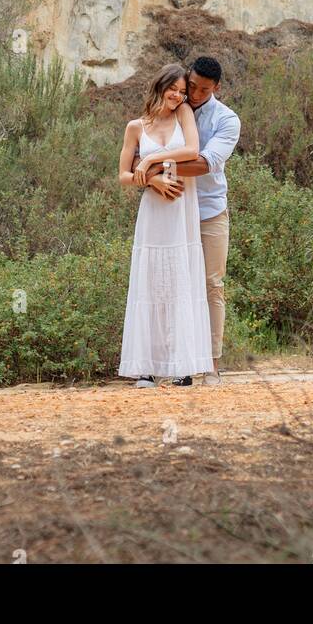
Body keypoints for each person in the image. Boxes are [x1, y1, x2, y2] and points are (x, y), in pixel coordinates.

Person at [136, 55, 241, 387]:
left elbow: (204, 164)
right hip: (171, 209)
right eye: (190, 86)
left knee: (211, 285)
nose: (193, 94)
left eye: (202, 89)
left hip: (208, 211)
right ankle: (166, 361)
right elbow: (138, 150)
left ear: (216, 88)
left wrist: (153, 167)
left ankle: (210, 364)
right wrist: (151, 173)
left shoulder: (227, 120)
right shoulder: (170, 105)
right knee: (166, 281)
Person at [118, 63, 213, 386]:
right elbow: (122, 176)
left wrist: (150, 160)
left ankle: (182, 366)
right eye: (174, 89)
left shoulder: (183, 114)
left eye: (183, 92)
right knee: (150, 281)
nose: (178, 96)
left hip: (181, 209)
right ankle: (145, 368)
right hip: (154, 209)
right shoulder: (135, 127)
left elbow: (192, 150)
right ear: (160, 86)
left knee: (180, 277)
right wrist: (153, 180)